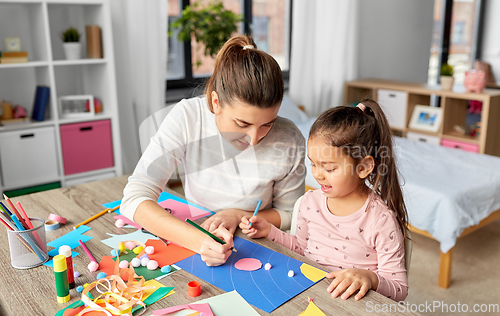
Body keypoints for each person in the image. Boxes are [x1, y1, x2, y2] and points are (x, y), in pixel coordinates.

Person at [121, 35, 305, 267]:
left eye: (267, 124)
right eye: (242, 124)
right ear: (215, 103)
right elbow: (134, 198)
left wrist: (238, 215)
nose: (254, 140)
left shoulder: (289, 138)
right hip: (196, 237)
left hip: (260, 244)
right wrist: (200, 242)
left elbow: (290, 214)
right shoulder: (187, 117)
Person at [240, 99, 409, 302]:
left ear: (363, 168)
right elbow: (301, 250)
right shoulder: (309, 203)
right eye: (313, 164)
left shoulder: (380, 220)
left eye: (329, 168)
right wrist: (269, 231)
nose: (318, 175)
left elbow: (399, 290)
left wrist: (371, 279)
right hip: (308, 294)